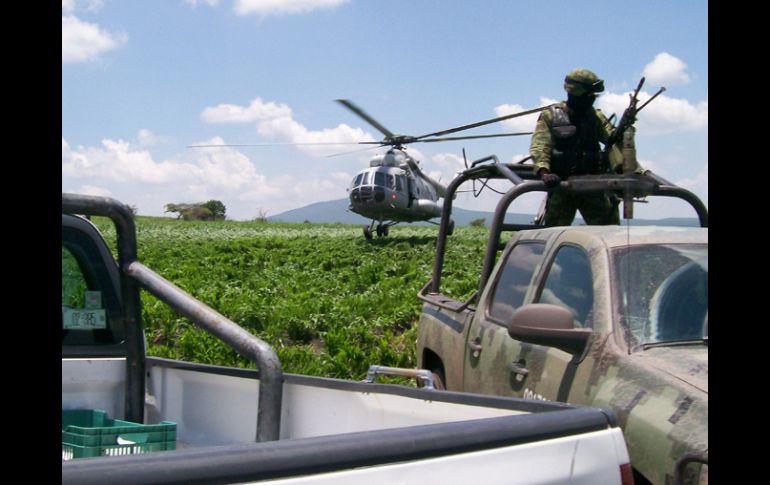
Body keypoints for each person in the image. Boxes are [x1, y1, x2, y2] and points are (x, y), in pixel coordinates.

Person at [530, 68, 620, 226]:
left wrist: (624, 131)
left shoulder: (595, 117)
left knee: (608, 230)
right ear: (574, 94)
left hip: (593, 186)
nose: (591, 100)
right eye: (588, 95)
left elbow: (612, 138)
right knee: (553, 233)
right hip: (562, 185)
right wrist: (544, 172)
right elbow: (540, 146)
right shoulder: (551, 115)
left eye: (593, 96)